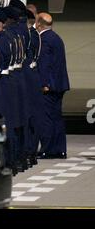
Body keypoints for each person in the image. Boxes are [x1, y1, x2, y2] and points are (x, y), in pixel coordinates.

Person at [36, 12, 70, 159]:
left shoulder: (43, 40)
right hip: (60, 84)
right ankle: (60, 149)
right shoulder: (56, 38)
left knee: (47, 118)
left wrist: (44, 84)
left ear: (38, 24)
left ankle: (47, 149)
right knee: (57, 117)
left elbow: (44, 64)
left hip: (49, 86)